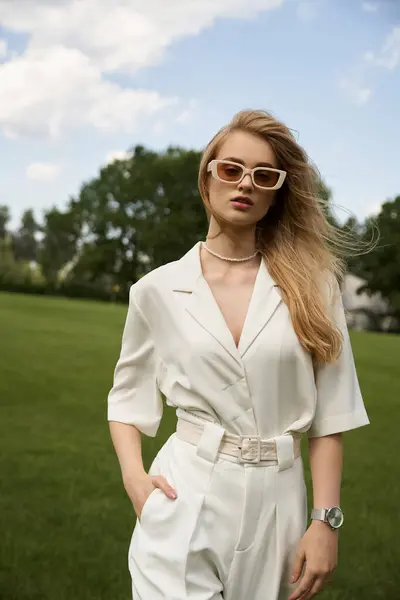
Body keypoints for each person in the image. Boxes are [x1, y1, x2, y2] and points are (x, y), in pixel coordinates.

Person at [107, 109, 370, 600]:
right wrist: (135, 480)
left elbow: (330, 416)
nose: (245, 183)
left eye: (263, 175)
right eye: (231, 169)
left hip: (280, 504)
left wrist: (326, 521)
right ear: (207, 177)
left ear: (276, 193)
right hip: (183, 491)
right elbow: (126, 399)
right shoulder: (155, 290)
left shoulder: (315, 287)